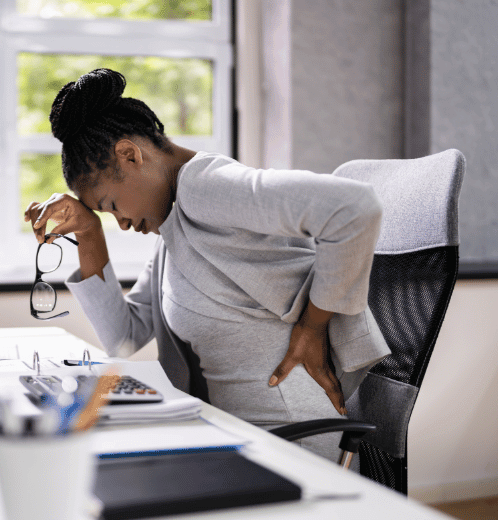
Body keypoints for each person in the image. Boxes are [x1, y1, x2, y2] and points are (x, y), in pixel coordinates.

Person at [24, 68, 390, 462]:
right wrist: (90, 234)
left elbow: (354, 209)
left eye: (112, 206)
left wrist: (312, 327)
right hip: (232, 433)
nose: (124, 224)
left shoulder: (206, 187)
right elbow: (123, 337)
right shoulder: (175, 228)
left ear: (130, 155)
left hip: (287, 438)